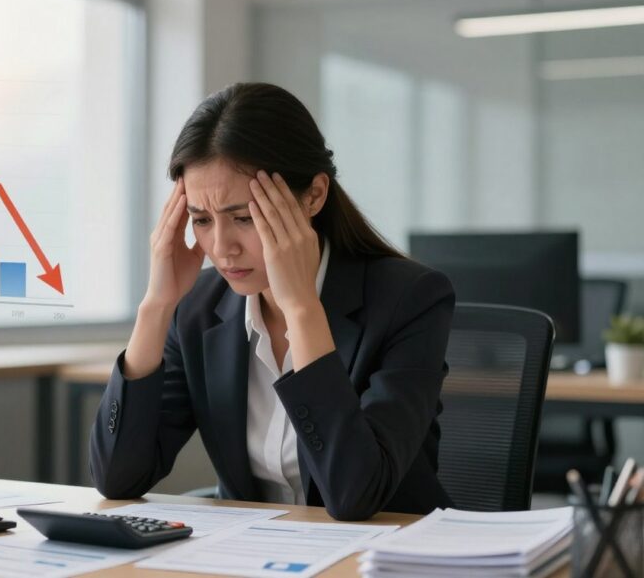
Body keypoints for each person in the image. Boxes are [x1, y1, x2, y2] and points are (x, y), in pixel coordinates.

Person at [89, 83, 455, 521]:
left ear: (314, 195)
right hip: (255, 550)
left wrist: (301, 310)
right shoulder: (197, 309)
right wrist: (156, 306)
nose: (221, 247)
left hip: (382, 549)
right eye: (201, 220)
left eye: (244, 218)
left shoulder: (410, 299)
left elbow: (355, 495)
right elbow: (117, 478)